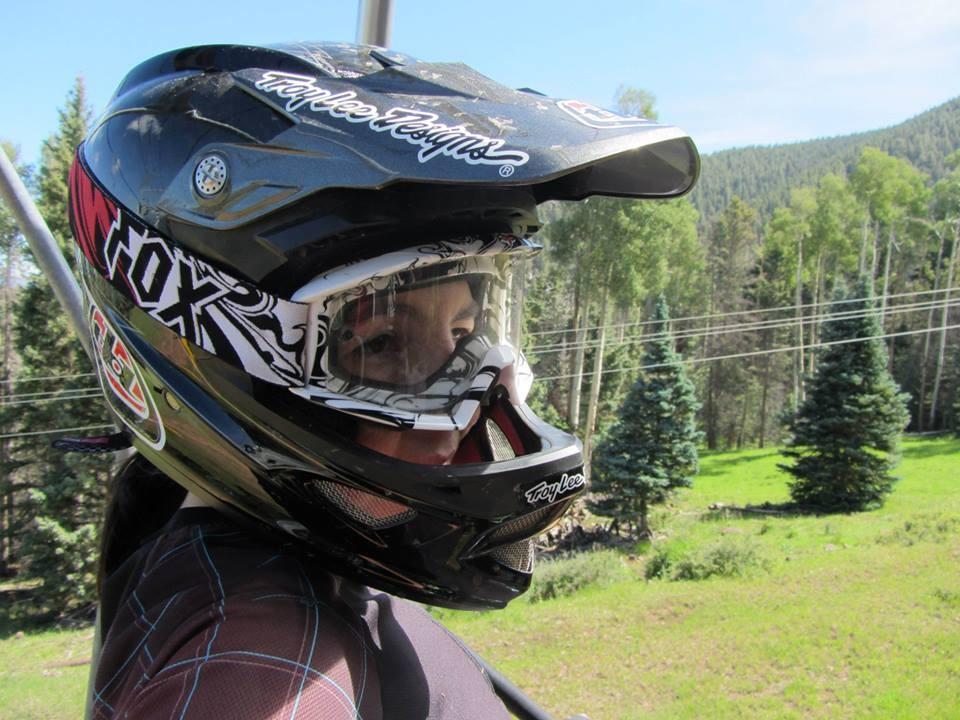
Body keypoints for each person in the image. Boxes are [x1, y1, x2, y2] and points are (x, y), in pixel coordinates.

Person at [68, 41, 699, 719]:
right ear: (221, 342)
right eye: (382, 343)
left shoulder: (314, 563)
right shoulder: (256, 667)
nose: (470, 401)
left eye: (465, 334)